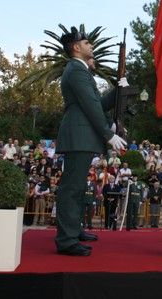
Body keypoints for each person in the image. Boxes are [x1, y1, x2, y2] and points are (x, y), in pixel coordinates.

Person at [54, 27, 127, 256]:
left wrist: (118, 90)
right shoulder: (76, 70)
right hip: (79, 136)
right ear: (76, 48)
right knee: (72, 189)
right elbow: (90, 106)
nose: (91, 46)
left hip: (82, 135)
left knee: (76, 188)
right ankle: (66, 240)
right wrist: (108, 134)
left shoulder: (80, 71)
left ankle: (73, 231)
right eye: (87, 43)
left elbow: (98, 102)